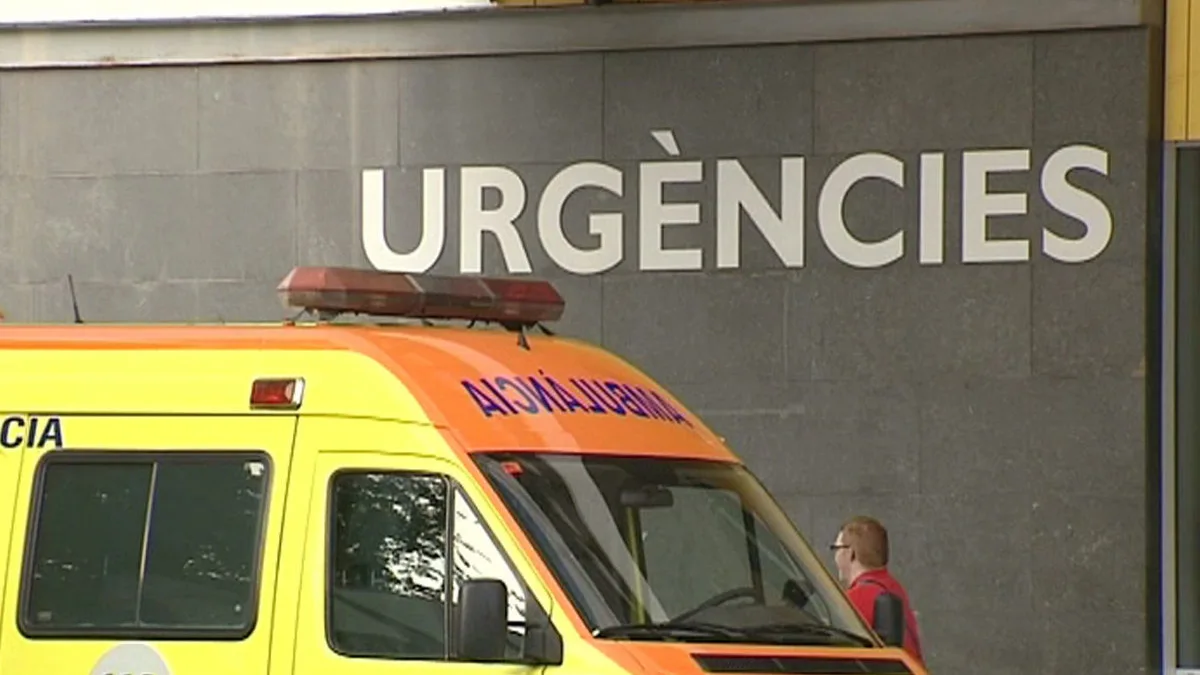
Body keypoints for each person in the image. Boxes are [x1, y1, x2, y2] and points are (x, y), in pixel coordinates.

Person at [831, 515, 925, 665]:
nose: (835, 556)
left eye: (836, 549)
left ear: (850, 553)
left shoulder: (858, 597)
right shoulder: (893, 587)